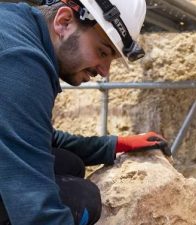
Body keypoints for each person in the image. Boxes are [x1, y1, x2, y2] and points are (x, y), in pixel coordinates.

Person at [0, 0, 171, 224]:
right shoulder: (20, 62)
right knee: (81, 199)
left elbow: (35, 138)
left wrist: (117, 144)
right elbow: (36, 209)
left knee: (68, 163)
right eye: (102, 51)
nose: (104, 70)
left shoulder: (17, 26)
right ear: (64, 22)